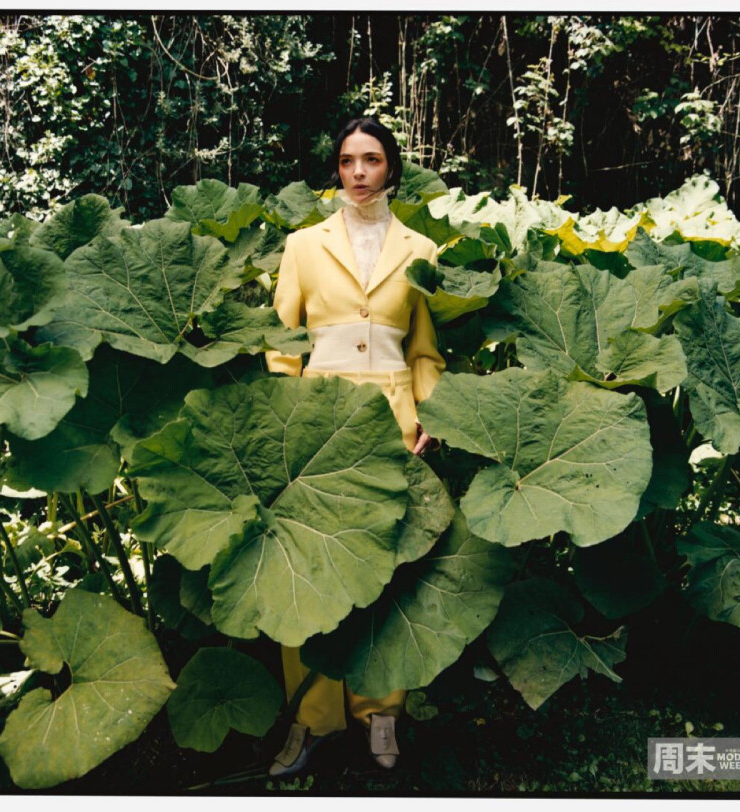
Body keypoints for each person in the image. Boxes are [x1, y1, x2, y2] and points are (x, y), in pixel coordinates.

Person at [264, 116, 445, 775]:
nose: (361, 172)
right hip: (317, 429)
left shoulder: (420, 249)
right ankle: (311, 721)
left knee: (386, 579)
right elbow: (282, 347)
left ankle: (381, 719)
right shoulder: (303, 246)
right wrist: (286, 427)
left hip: (395, 424)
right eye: (349, 161)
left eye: (372, 159)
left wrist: (433, 416)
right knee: (308, 575)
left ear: (390, 169)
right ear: (336, 171)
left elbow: (424, 350)